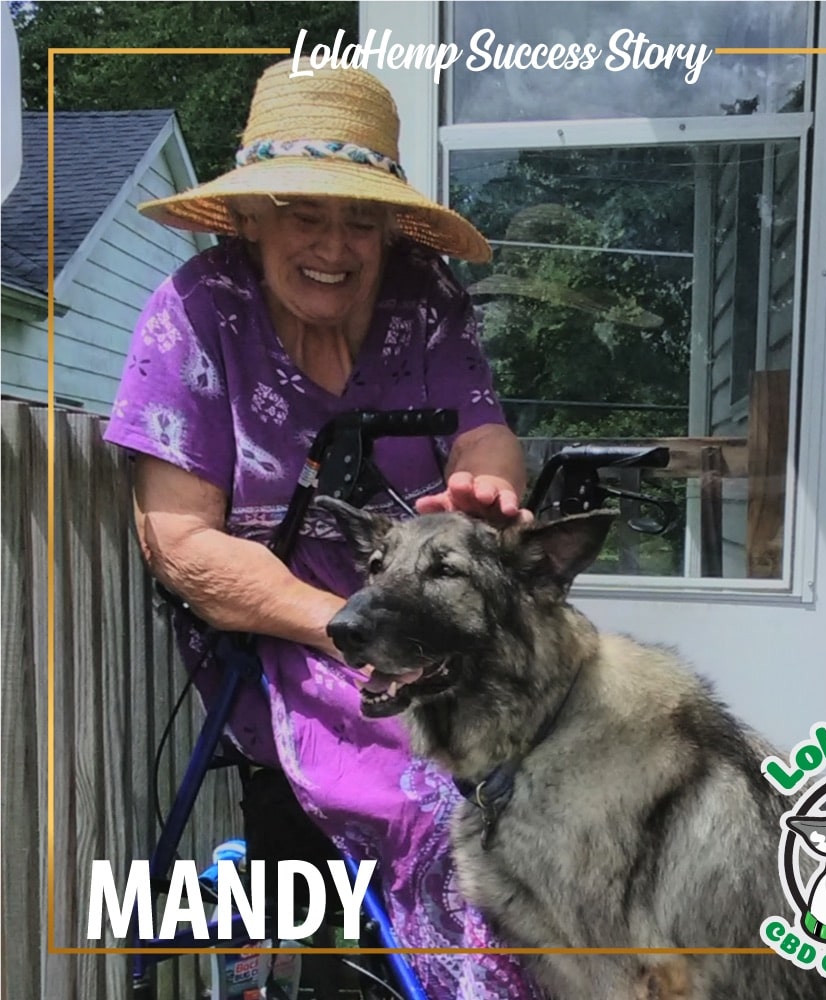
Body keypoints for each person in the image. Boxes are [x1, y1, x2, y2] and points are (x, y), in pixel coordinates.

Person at [105, 60, 543, 999]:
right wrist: (351, 629)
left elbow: (486, 428)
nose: (334, 247)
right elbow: (179, 541)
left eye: (359, 220)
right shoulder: (195, 313)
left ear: (391, 227)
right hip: (284, 626)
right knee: (443, 790)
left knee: (566, 735)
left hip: (423, 601)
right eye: (306, 213)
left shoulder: (425, 296)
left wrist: (483, 489)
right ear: (255, 215)